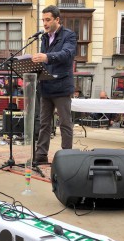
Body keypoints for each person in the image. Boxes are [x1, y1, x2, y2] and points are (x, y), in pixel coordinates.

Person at [32, 5, 77, 163]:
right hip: (46, 87)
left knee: (65, 123)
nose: (44, 23)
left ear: (57, 20)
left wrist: (46, 57)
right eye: (43, 20)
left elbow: (67, 54)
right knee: (44, 123)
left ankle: (67, 156)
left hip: (62, 87)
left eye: (48, 20)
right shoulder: (44, 37)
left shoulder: (69, 35)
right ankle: (41, 154)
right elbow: (45, 62)